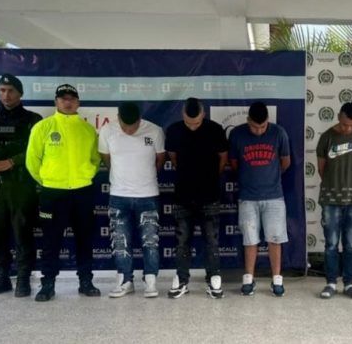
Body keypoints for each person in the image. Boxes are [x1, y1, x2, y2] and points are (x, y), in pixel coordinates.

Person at [25, 84, 101, 302]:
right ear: (56, 102)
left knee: (85, 239)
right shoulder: (43, 127)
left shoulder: (87, 130)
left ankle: (86, 281)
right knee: (50, 241)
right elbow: (32, 162)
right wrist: (49, 181)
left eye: (72, 98)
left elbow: (95, 161)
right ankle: (47, 284)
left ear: (78, 102)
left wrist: (84, 176)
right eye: (63, 98)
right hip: (52, 193)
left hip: (82, 192)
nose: (67, 102)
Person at [0, 74, 42, 298]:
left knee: (23, 235)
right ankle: (2, 278)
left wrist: (11, 162)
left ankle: (23, 278)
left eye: (11, 90)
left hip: (21, 187)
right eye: (2, 90)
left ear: (20, 93)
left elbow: (37, 152)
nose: (6, 95)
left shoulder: (33, 119)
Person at [99, 102, 165, 298]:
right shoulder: (107, 131)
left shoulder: (154, 131)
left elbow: (160, 160)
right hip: (118, 196)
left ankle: (151, 281)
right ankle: (125, 280)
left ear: (140, 119)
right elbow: (106, 159)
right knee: (120, 242)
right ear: (117, 118)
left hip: (148, 195)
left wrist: (146, 177)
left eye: (134, 126)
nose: (129, 130)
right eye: (125, 126)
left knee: (150, 241)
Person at [165, 97, 228, 299]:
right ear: (182, 115)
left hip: (209, 195)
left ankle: (214, 278)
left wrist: (209, 177)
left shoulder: (216, 130)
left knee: (211, 240)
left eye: (197, 123)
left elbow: (223, 158)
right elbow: (173, 158)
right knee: (182, 240)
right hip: (183, 195)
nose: (193, 126)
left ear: (204, 114)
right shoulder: (174, 130)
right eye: (188, 123)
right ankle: (182, 280)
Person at [228, 102, 291, 297]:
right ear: (248, 121)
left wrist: (269, 177)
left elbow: (285, 162)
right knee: (250, 239)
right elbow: (234, 163)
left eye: (262, 127)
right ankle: (248, 279)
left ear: (268, 122)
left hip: (274, 197)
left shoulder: (279, 133)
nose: (258, 130)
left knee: (275, 238)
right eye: (255, 127)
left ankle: (276, 280)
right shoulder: (237, 134)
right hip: (247, 197)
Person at [316, 102, 352, 300]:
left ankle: (350, 283)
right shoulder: (326, 137)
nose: (349, 129)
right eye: (346, 124)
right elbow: (321, 169)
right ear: (339, 116)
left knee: (350, 243)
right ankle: (331, 282)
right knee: (331, 243)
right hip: (330, 199)